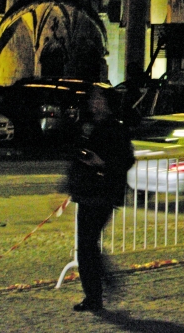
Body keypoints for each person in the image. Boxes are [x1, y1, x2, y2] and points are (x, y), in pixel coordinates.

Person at [63, 85, 135, 312]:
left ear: (108, 103)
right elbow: (75, 153)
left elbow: (126, 159)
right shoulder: (88, 125)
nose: (94, 102)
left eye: (98, 99)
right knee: (87, 245)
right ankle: (97, 290)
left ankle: (96, 294)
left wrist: (102, 163)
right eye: (93, 98)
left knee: (87, 245)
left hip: (103, 193)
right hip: (86, 192)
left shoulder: (115, 128)